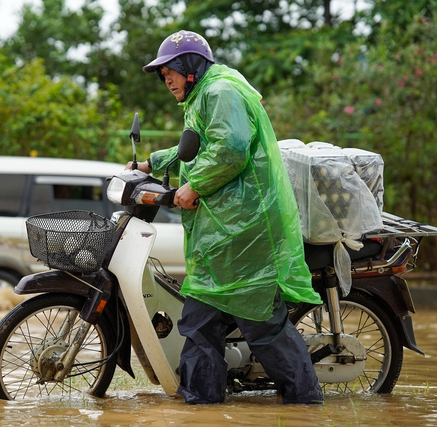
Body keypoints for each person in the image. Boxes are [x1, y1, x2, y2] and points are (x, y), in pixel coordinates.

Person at [133, 30, 325, 405]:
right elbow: (195, 145)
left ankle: (307, 404)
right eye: (162, 74)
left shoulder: (221, 92)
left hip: (246, 231)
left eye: (170, 70)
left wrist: (194, 187)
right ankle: (200, 405)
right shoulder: (204, 95)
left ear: (190, 66)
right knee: (200, 324)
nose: (165, 79)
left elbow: (230, 148)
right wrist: (149, 163)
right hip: (223, 235)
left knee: (262, 326)